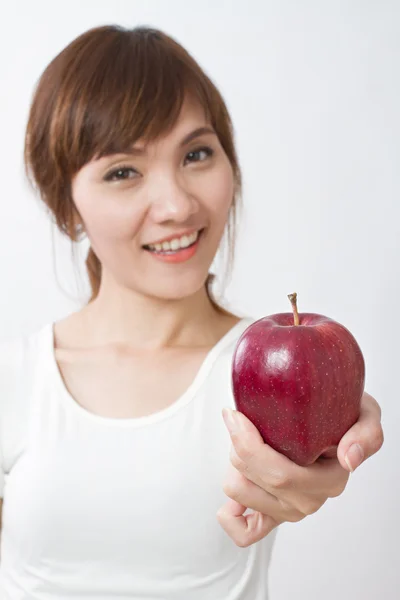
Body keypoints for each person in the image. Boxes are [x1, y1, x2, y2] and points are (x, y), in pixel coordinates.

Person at [0, 24, 384, 600]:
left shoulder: (263, 384)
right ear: (66, 205)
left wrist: (331, 434)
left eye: (197, 154)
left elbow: (324, 451)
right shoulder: (15, 376)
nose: (178, 204)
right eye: (123, 171)